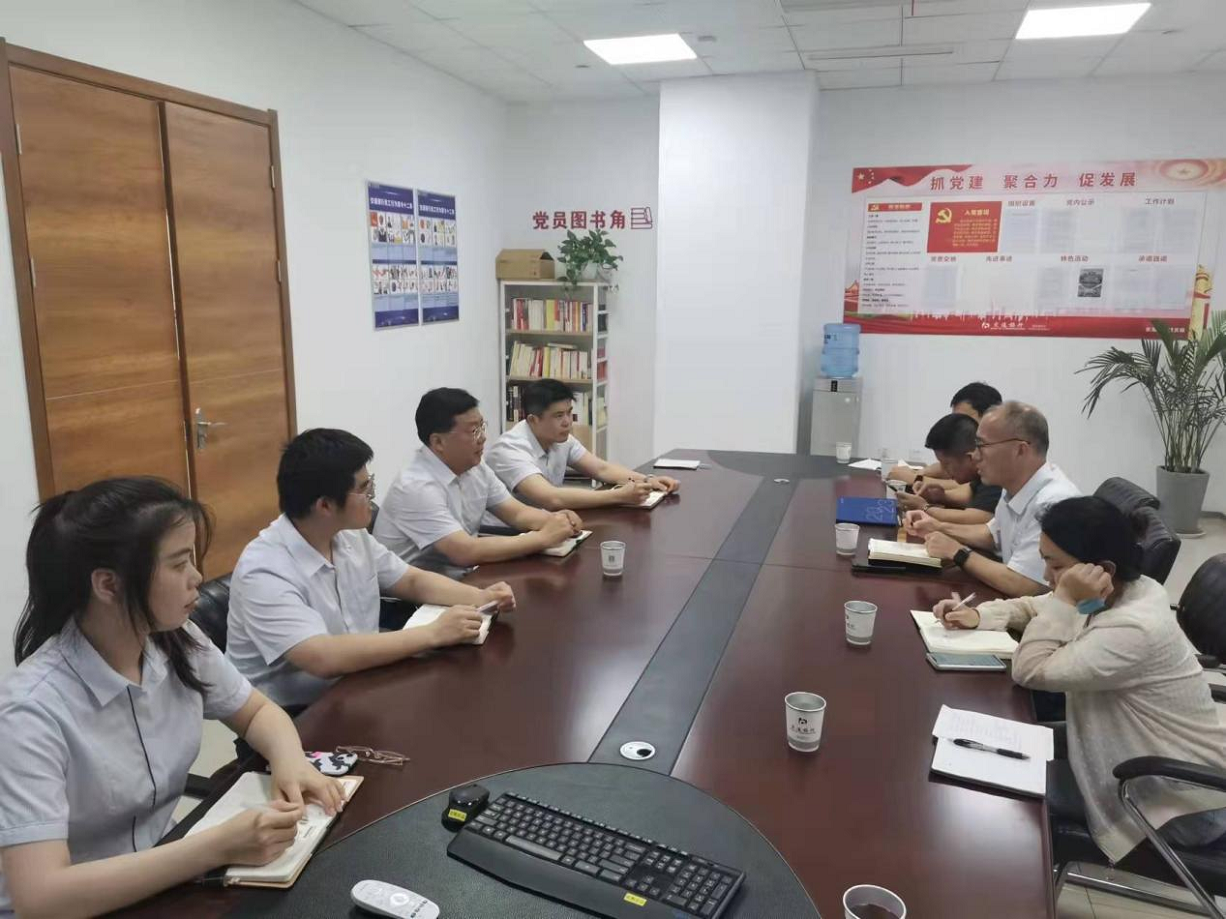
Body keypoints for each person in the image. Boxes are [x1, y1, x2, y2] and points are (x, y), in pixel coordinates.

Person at [0, 477, 346, 919]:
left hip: (164, 886)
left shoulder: (176, 640)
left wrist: (290, 761)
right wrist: (215, 847)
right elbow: (42, 898)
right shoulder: (29, 712)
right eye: (179, 563)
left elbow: (257, 711)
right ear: (108, 585)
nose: (197, 577)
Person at [934, 496, 1226, 862]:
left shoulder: (1134, 628)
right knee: (968, 744)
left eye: (1055, 565)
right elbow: (1036, 605)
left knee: (988, 787)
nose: (1047, 577)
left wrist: (1065, 599)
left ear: (1101, 569)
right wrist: (979, 616)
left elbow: (1029, 670)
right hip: (1122, 747)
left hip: (1174, 799)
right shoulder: (1123, 589)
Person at [227, 429, 514, 710]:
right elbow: (322, 658)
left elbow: (411, 580)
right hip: (295, 714)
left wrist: (481, 597)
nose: (372, 496)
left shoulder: (349, 534)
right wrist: (434, 633)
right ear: (325, 505)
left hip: (358, 682)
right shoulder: (264, 569)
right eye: (364, 489)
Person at [373, 388, 583, 577]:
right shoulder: (416, 487)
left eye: (482, 426)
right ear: (438, 442)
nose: (483, 438)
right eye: (473, 431)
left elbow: (517, 513)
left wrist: (557, 520)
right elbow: (465, 551)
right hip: (415, 597)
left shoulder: (475, 466)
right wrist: (543, 538)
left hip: (462, 575)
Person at [904, 401, 1079, 597]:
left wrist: (958, 552)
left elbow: (1026, 584)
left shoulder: (1053, 503)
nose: (975, 456)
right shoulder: (1013, 485)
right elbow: (992, 535)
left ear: (1020, 450)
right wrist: (936, 526)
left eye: (982, 445)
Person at [484, 379, 680, 510]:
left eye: (569, 412)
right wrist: (620, 496)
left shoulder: (561, 438)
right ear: (533, 420)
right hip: (508, 536)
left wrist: (648, 480)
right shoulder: (510, 450)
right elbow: (551, 498)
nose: (567, 422)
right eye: (558, 416)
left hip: (546, 525)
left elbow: (601, 469)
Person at [892, 413, 1001, 526]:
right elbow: (969, 495)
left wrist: (924, 507)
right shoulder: (980, 472)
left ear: (970, 458)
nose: (944, 471)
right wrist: (939, 496)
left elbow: (977, 518)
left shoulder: (996, 473)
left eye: (946, 464)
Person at [888, 381, 1003, 486]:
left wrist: (914, 479)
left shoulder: (999, 454)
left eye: (963, 418)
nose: (957, 425)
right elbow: (946, 467)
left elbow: (966, 488)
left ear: (989, 417)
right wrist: (920, 473)